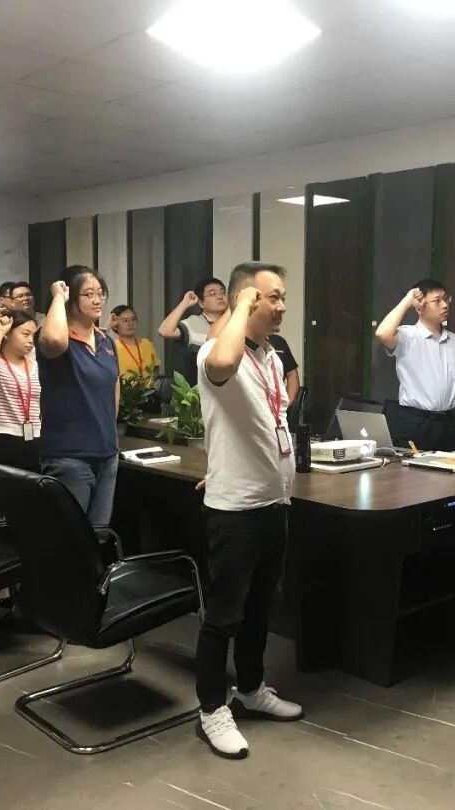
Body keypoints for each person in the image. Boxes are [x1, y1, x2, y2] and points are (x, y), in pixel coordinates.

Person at [194, 261, 303, 760]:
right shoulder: (215, 351)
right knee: (225, 616)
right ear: (246, 300)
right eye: (272, 297)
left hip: (273, 502)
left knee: (261, 607)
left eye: (282, 297)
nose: (282, 307)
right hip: (236, 510)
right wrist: (237, 305)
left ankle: (252, 689)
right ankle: (211, 710)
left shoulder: (271, 358)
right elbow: (222, 363)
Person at [36, 266, 119, 525]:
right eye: (88, 294)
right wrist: (57, 297)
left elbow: (113, 386)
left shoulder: (106, 340)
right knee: (69, 535)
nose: (97, 300)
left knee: (99, 533)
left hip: (106, 452)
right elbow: (53, 341)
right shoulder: (57, 337)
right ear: (71, 298)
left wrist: (110, 433)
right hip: (69, 455)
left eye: (100, 293)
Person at [374, 279, 455, 452]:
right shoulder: (408, 336)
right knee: (413, 470)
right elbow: (382, 333)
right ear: (419, 307)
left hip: (447, 423)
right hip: (415, 422)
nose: (444, 305)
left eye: (446, 299)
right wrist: (407, 300)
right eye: (437, 301)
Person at [0, 309, 42, 473]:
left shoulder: (36, 366)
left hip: (34, 438)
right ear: (8, 334)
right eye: (25, 334)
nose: (31, 340)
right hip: (2, 438)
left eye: (33, 335)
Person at [157, 277, 228, 384]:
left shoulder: (235, 322)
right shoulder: (193, 323)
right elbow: (165, 331)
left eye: (222, 292)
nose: (220, 297)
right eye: (212, 294)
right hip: (199, 387)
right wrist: (185, 303)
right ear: (201, 303)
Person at [109, 305, 160, 382]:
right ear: (115, 326)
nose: (130, 323)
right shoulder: (112, 347)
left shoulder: (147, 344)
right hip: (124, 389)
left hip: (148, 389)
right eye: (125, 320)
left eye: (133, 319)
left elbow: (156, 368)